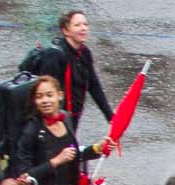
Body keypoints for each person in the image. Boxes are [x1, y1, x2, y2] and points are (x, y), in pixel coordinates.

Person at [12, 74, 115, 185]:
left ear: (60, 95)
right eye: (39, 97)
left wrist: (96, 149)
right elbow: (24, 176)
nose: (45, 101)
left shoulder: (66, 118)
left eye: (49, 95)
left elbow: (73, 154)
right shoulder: (31, 131)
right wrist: (55, 162)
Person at [29, 11, 115, 141]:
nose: (83, 28)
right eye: (77, 25)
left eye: (85, 24)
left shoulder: (84, 52)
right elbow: (45, 90)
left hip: (72, 117)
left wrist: (110, 115)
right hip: (56, 120)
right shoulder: (56, 56)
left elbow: (93, 84)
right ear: (65, 30)